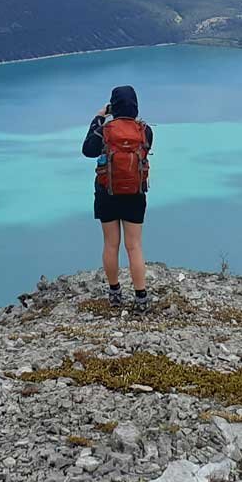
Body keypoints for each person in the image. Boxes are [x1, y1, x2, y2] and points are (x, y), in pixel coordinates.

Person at [82, 85, 154, 312]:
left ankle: (114, 293)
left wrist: (98, 117)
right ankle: (141, 297)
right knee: (134, 246)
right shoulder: (145, 130)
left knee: (111, 244)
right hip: (134, 193)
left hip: (107, 193)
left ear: (114, 106)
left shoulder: (104, 130)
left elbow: (88, 150)